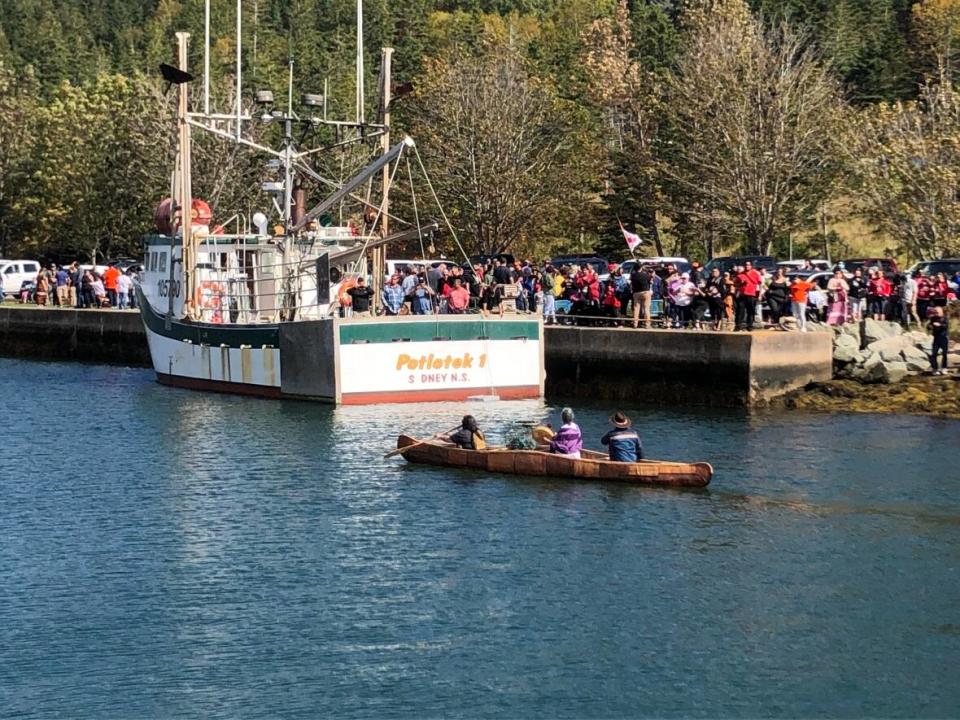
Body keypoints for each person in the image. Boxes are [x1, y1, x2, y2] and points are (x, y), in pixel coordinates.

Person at [734, 261, 762, 331]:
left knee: (751, 311)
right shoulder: (740, 275)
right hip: (742, 295)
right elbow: (735, 285)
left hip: (752, 294)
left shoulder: (755, 273)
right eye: (745, 265)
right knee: (740, 310)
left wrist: (760, 295)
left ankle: (749, 326)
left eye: (748, 265)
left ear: (751, 266)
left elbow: (760, 284)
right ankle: (738, 326)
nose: (747, 266)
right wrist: (741, 284)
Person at [927, 306, 950, 375]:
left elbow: (946, 326)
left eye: (937, 312)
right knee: (934, 354)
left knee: (944, 354)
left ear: (941, 312)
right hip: (936, 338)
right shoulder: (933, 318)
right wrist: (930, 326)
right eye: (935, 312)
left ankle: (944, 368)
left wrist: (939, 325)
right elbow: (928, 326)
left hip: (943, 338)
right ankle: (935, 368)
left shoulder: (945, 318)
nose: (936, 313)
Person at [631, 264, 652, 329]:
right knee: (646, 308)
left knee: (636, 308)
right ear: (641, 268)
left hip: (636, 293)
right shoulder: (645, 275)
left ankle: (635, 324)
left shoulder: (633, 276)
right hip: (645, 292)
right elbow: (650, 281)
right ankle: (647, 324)